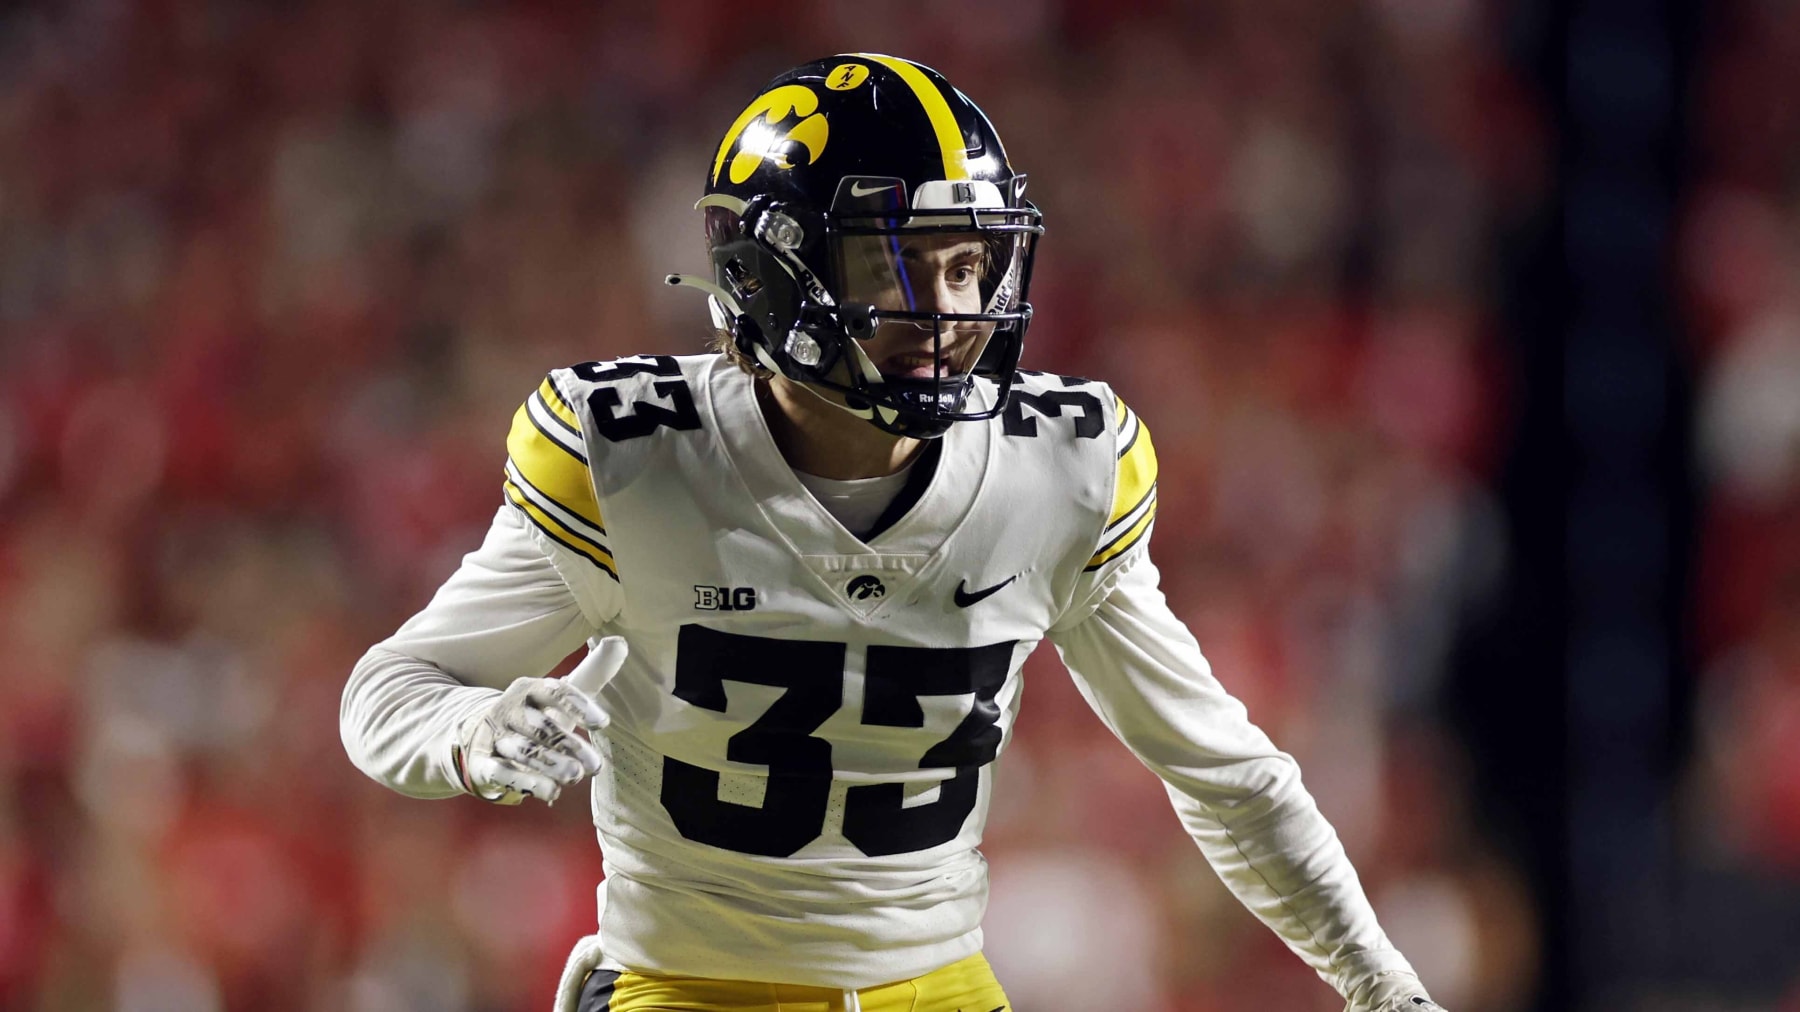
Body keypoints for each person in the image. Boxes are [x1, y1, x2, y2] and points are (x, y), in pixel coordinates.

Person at [340, 53, 1448, 1012]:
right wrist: (474, 731)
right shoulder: (638, 459)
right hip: (690, 980)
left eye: (970, 263)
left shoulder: (1058, 471)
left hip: (938, 984)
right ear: (772, 271)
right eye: (897, 259)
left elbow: (1222, 769)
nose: (948, 306)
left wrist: (1374, 976)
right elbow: (389, 691)